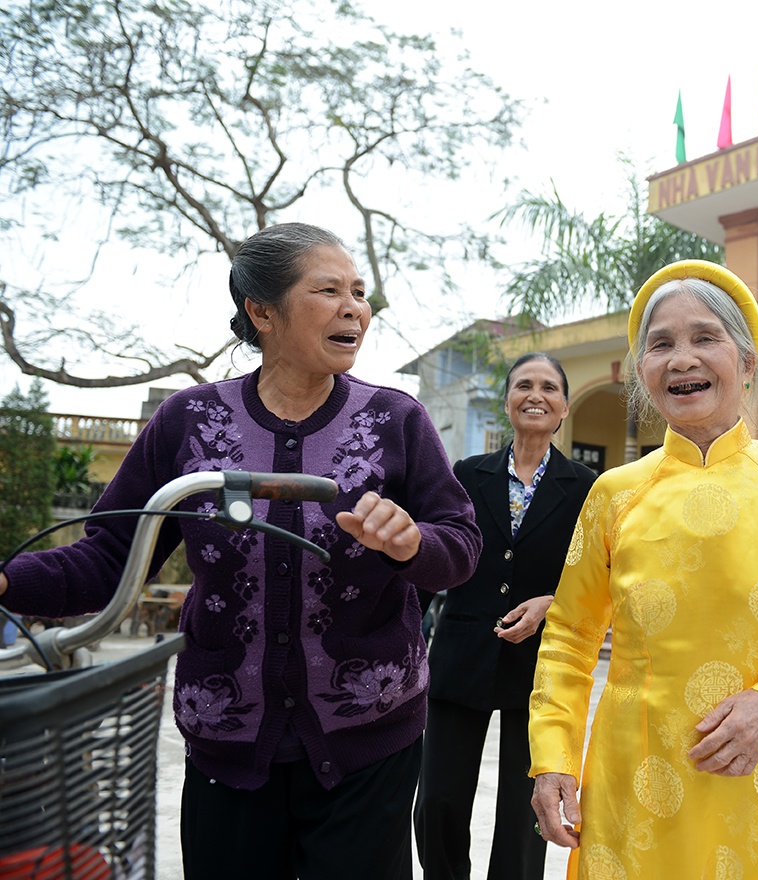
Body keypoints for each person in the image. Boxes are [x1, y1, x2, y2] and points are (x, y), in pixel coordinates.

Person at [0, 223, 482, 880]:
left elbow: (460, 545)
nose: (355, 308)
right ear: (262, 311)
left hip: (371, 739)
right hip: (228, 740)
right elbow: (108, 557)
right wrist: (5, 582)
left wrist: (411, 542)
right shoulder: (187, 422)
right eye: (329, 290)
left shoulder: (396, 420)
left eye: (360, 293)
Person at [527, 259, 758, 880]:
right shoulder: (613, 494)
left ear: (747, 364)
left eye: (705, 337)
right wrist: (552, 755)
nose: (682, 358)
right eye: (660, 344)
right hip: (632, 781)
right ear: (642, 374)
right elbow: (569, 635)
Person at [415, 352, 597, 879]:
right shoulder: (468, 474)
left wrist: (552, 603)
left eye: (548, 387)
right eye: (523, 385)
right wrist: (404, 630)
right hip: (460, 655)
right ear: (508, 400)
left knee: (525, 810)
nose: (535, 394)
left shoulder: (586, 487)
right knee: (440, 800)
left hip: (539, 665)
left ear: (563, 406)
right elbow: (439, 552)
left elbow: (600, 576)